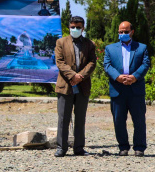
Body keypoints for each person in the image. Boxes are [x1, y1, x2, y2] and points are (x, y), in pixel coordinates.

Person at [104, 21, 150, 156]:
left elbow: (145, 64)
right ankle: (123, 146)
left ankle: (139, 147)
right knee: (118, 120)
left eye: (125, 31)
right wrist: (117, 77)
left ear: (132, 32)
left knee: (139, 120)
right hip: (117, 89)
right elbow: (107, 65)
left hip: (136, 89)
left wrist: (135, 77)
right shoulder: (110, 49)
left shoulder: (141, 48)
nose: (123, 34)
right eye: (120, 32)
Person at [54, 16, 97, 157]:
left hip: (82, 86)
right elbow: (60, 62)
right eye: (73, 27)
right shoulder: (61, 42)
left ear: (83, 28)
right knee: (63, 118)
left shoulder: (90, 44)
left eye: (78, 27)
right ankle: (61, 147)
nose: (75, 29)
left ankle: (79, 148)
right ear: (69, 27)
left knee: (80, 119)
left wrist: (80, 77)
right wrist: (73, 76)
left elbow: (92, 63)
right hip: (65, 85)